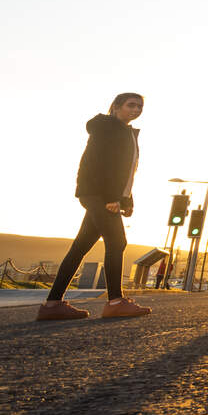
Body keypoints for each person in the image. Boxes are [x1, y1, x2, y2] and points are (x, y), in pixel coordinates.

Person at [38, 94, 152, 320]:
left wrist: (127, 199)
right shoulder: (108, 129)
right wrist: (112, 197)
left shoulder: (125, 132)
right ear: (117, 106)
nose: (136, 109)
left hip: (103, 194)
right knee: (117, 241)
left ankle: (52, 305)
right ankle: (116, 302)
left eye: (140, 106)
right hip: (99, 194)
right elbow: (102, 164)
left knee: (80, 246)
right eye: (131, 105)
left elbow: (126, 172)